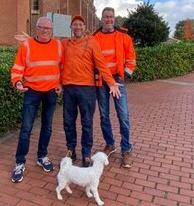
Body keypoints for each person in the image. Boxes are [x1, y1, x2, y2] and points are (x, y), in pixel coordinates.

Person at [61, 15, 122, 167]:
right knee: (68, 122)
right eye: (75, 24)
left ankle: (86, 154)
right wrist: (30, 40)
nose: (78, 27)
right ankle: (71, 150)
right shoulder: (64, 43)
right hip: (68, 88)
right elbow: (48, 50)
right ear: (71, 27)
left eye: (80, 25)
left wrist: (112, 82)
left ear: (84, 27)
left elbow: (101, 65)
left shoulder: (92, 42)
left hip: (87, 89)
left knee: (86, 122)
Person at [9, 17, 63, 183]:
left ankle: (42, 156)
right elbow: (18, 67)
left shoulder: (58, 45)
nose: (45, 30)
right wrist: (17, 81)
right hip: (32, 91)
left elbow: (63, 67)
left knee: (47, 127)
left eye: (48, 28)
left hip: (51, 92)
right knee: (26, 128)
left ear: (52, 30)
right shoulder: (27, 45)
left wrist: (61, 84)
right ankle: (19, 162)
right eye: (42, 27)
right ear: (36, 28)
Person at [92, 7, 137, 168]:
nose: (108, 19)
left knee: (123, 115)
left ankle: (126, 149)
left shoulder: (124, 37)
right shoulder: (94, 38)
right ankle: (110, 144)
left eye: (111, 17)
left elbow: (131, 58)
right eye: (106, 17)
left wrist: (123, 76)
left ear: (114, 18)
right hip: (101, 82)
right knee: (104, 115)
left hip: (117, 81)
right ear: (101, 19)